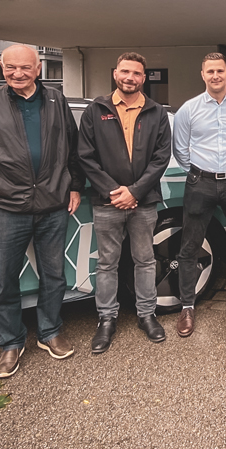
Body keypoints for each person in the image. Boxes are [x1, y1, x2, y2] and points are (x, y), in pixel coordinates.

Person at [0, 44, 83, 378]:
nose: (17, 74)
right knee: (4, 280)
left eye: (25, 68)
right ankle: (11, 342)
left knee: (54, 275)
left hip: (52, 205)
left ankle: (50, 332)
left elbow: (72, 149)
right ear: (1, 67)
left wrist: (75, 186)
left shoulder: (57, 102)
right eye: (10, 68)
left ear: (38, 69)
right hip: (5, 206)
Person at [78, 52, 172, 353]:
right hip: (108, 202)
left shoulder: (156, 112)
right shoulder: (95, 109)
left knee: (145, 261)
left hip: (143, 202)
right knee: (107, 263)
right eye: (125, 71)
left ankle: (147, 314)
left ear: (143, 78)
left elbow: (161, 158)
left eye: (136, 73)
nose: (130, 77)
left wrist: (135, 191)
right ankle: (106, 319)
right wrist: (113, 191)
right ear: (115, 73)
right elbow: (85, 157)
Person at [172, 52, 226, 337]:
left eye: (220, 71)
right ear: (202, 74)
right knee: (189, 245)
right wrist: (200, 171)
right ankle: (187, 306)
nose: (215, 76)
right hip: (201, 182)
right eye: (210, 71)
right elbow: (180, 148)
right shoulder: (189, 109)